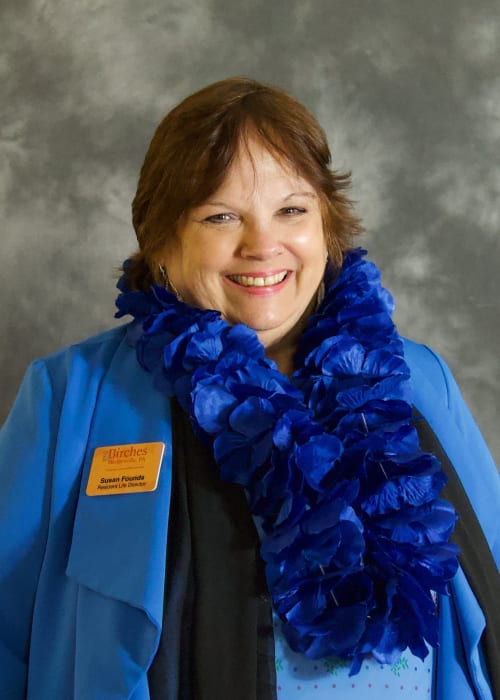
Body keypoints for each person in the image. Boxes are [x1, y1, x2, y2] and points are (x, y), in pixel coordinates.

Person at [0, 78, 498, 700]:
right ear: (162, 241)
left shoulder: (421, 381)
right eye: (220, 216)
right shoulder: (72, 398)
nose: (263, 245)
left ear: (327, 226)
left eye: (292, 210)